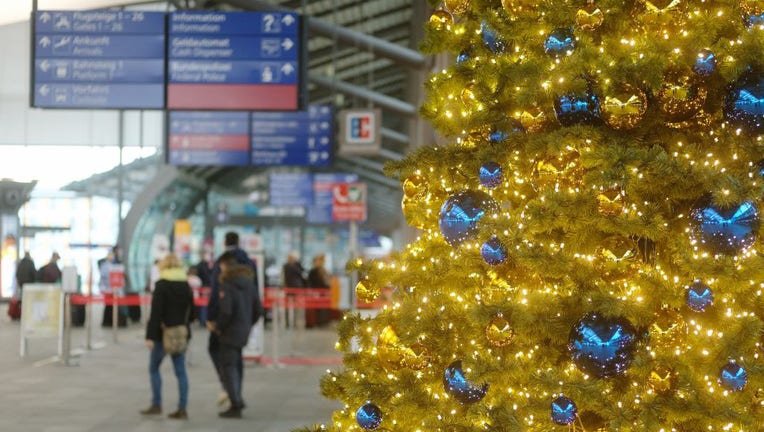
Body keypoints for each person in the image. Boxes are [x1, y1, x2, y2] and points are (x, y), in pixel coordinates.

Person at [206, 232, 259, 411]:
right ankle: (234, 392)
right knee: (236, 360)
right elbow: (257, 306)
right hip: (242, 326)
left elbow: (220, 303)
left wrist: (214, 323)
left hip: (227, 327)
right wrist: (248, 323)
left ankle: (232, 395)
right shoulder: (249, 269)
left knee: (223, 357)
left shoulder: (225, 279)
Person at [141, 254, 194, 420]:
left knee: (154, 368)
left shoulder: (161, 285)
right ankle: (182, 407)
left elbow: (156, 313)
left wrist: (150, 336)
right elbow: (192, 313)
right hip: (180, 333)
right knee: (181, 371)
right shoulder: (186, 286)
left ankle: (157, 404)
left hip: (163, 334)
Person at [212, 251, 254, 418]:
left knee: (228, 367)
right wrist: (247, 324)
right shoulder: (249, 283)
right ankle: (238, 397)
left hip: (229, 332)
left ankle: (235, 403)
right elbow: (257, 308)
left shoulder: (227, 284)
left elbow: (226, 311)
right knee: (237, 365)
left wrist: (218, 327)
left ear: (225, 266)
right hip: (243, 331)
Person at [306, 254, 332, 328]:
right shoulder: (313, 271)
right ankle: (318, 322)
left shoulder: (323, 271)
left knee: (324, 308)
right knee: (317, 308)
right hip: (316, 292)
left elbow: (326, 282)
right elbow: (311, 282)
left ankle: (323, 322)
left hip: (323, 292)